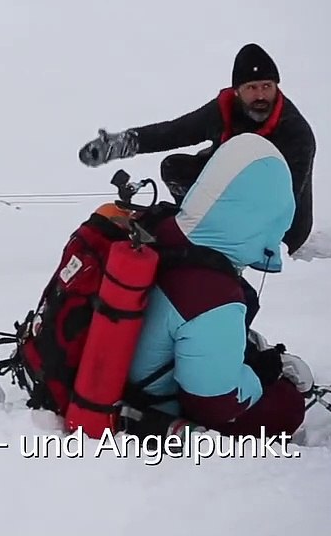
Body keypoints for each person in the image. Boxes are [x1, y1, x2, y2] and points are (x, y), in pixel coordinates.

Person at [123, 133, 314, 439]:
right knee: (286, 405)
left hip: (124, 370)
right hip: (153, 402)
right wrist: (263, 375)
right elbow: (214, 404)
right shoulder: (211, 291)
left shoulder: (164, 232)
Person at [79, 43, 315, 255]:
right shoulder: (224, 111)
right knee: (175, 167)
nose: (261, 95)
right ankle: (195, 227)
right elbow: (175, 132)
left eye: (267, 86)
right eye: (252, 87)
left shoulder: (296, 133)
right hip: (231, 200)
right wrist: (122, 144)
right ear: (237, 91)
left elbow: (284, 202)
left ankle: (209, 236)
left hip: (281, 226)